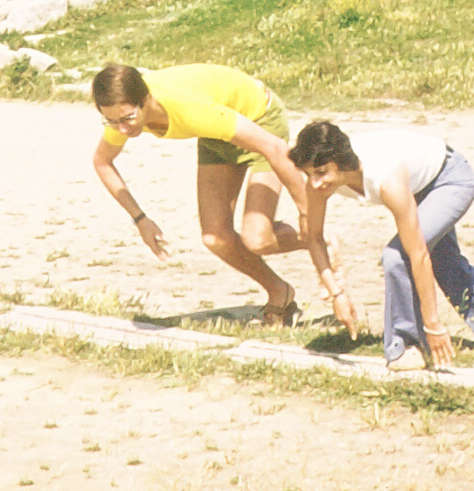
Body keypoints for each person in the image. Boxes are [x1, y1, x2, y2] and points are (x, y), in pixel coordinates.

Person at [290, 120, 474, 368]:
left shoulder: (385, 179)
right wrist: (337, 294)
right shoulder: (319, 184)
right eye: (309, 174)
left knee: (397, 256)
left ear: (341, 160)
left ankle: (408, 345)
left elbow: (417, 255)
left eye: (321, 172)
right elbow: (314, 237)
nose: (315, 183)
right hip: (416, 182)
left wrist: (433, 325)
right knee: (445, 262)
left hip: (449, 179)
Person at [91, 63, 310, 326]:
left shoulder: (189, 109)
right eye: (111, 121)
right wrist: (140, 219)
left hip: (258, 118)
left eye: (127, 119)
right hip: (216, 132)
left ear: (146, 99)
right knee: (215, 238)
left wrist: (308, 214)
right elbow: (102, 161)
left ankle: (320, 237)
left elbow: (275, 148)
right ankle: (279, 291)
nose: (121, 129)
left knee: (258, 238)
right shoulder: (121, 112)